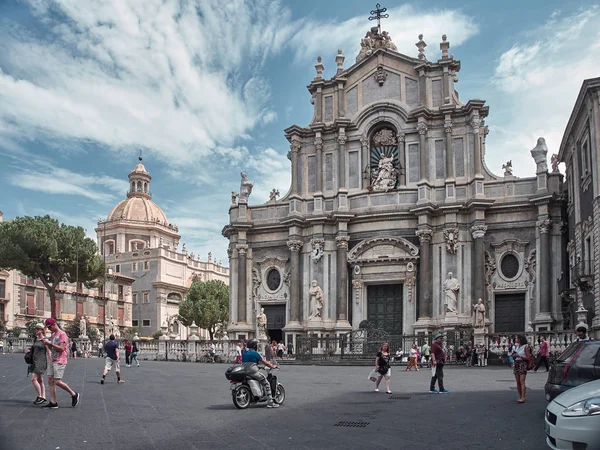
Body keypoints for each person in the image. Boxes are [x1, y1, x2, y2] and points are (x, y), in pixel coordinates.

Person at [41, 318, 80, 409]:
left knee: (57, 381)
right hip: (52, 359)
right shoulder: (53, 335)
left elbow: (62, 348)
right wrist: (47, 344)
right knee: (50, 380)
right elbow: (52, 349)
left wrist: (50, 344)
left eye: (49, 327)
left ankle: (74, 394)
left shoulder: (62, 334)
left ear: (54, 324)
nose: (49, 329)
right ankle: (53, 402)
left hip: (60, 360)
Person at [241, 339, 279, 408]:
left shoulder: (244, 353)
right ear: (255, 346)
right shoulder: (255, 353)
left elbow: (249, 363)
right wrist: (272, 366)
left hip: (245, 372)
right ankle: (270, 402)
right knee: (266, 383)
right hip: (253, 373)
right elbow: (264, 362)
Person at [29, 323, 49, 405]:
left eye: (37, 329)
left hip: (41, 361)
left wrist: (51, 361)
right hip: (35, 360)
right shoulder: (36, 339)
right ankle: (43, 396)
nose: (36, 331)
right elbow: (34, 349)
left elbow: (48, 351)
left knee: (33, 379)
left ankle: (39, 396)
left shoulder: (45, 340)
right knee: (40, 380)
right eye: (36, 329)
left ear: (41, 330)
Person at [511, 334, 533, 403]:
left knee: (522, 381)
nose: (516, 339)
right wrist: (514, 355)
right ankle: (520, 396)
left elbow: (528, 357)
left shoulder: (525, 347)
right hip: (517, 363)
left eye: (517, 338)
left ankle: (523, 397)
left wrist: (520, 356)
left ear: (520, 339)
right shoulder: (517, 347)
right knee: (517, 382)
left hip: (522, 363)